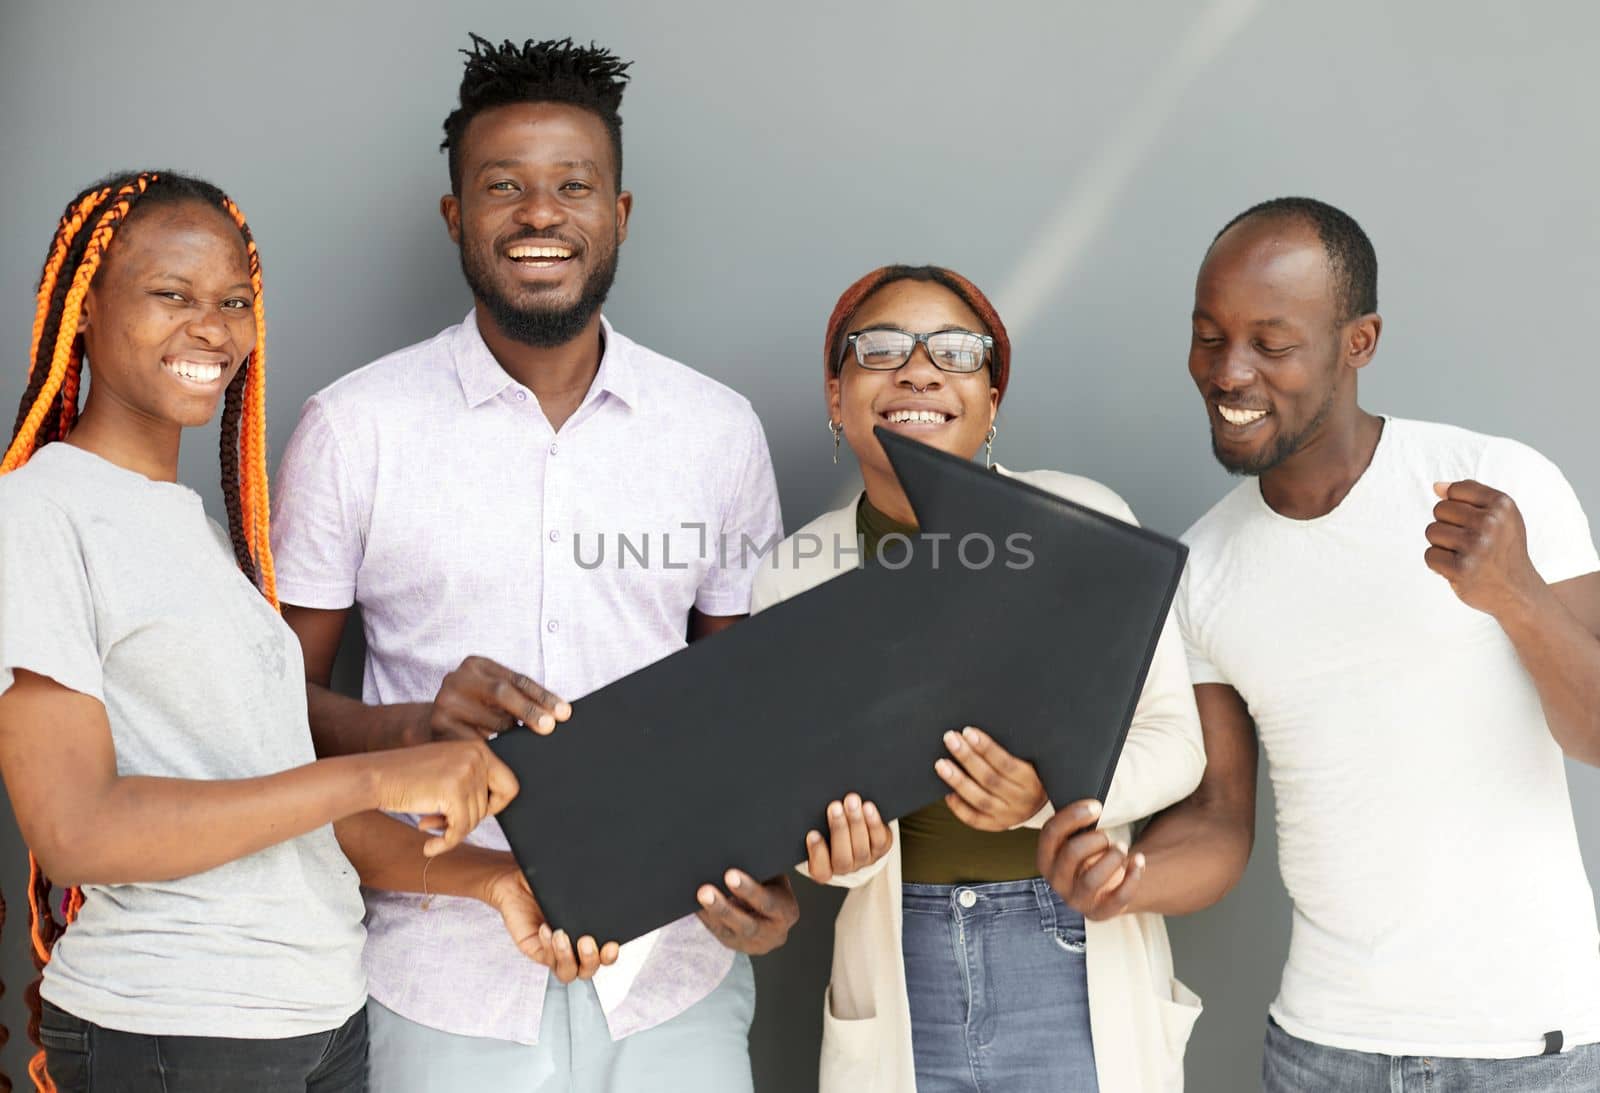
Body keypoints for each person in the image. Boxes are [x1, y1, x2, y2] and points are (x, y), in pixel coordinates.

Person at [271, 36, 797, 1092]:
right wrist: (417, 724)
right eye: (502, 186)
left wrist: (771, 883)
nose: (540, 214)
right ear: (454, 215)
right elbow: (271, 707)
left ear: (620, 212)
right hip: (438, 972)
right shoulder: (352, 427)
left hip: (673, 974)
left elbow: (752, 708)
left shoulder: (716, 432)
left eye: (573, 185)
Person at [1040, 196, 1600, 1090]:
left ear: (1359, 342)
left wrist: (1517, 594)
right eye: (1209, 336)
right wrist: (1131, 874)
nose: (1230, 372)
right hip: (1323, 1049)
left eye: (1272, 342)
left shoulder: (1498, 483)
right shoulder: (1200, 568)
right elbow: (1223, 820)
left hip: (1531, 1047)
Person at [0, 170, 524, 1093]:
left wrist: (494, 881)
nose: (213, 328)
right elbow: (77, 827)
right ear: (83, 309)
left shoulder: (199, 534)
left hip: (317, 1017)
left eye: (234, 301)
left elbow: (305, 816)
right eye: (172, 295)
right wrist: (385, 767)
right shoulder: (38, 514)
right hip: (177, 1030)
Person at [753, 264, 1207, 1092]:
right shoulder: (795, 574)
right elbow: (804, 822)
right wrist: (842, 855)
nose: (919, 370)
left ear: (992, 402)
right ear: (836, 394)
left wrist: (1046, 797)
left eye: (958, 353)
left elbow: (1178, 744)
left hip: (1071, 949)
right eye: (881, 348)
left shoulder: (1084, 523)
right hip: (901, 968)